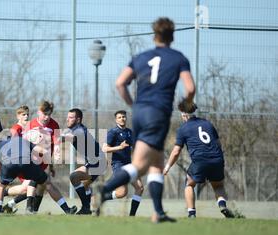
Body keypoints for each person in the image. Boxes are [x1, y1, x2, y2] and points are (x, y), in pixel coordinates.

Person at [97, 17, 195, 223]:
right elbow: (190, 88)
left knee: (156, 162)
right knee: (141, 164)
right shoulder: (178, 58)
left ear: (154, 35)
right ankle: (105, 189)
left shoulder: (140, 57)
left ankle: (158, 212)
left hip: (140, 113)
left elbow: (120, 83)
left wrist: (133, 105)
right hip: (158, 113)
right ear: (172, 36)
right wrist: (187, 103)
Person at [163, 105, 243, 218]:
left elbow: (176, 152)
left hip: (200, 160)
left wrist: (167, 167)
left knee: (189, 184)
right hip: (217, 159)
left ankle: (191, 214)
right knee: (218, 186)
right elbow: (218, 144)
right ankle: (222, 205)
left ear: (185, 114)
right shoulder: (208, 124)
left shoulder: (183, 128)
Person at [0, 134, 77, 215]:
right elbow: (43, 151)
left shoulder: (0, 145)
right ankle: (67, 210)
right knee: (47, 184)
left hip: (9, 165)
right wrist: (51, 164)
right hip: (26, 162)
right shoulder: (22, 140)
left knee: (0, 186)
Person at [63, 108, 106, 215]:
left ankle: (87, 206)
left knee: (74, 177)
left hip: (98, 163)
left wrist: (54, 137)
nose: (67, 119)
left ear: (78, 120)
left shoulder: (79, 130)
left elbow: (71, 137)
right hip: (94, 162)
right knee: (85, 186)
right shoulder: (76, 129)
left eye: (71, 117)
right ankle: (94, 205)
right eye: (67, 117)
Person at [102, 110, 144, 216]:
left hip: (129, 164)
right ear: (116, 119)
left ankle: (132, 215)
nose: (122, 119)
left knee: (140, 188)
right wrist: (119, 147)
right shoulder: (113, 132)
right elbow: (104, 148)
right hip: (118, 164)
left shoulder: (130, 132)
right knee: (122, 192)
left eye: (124, 117)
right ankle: (101, 196)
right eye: (119, 117)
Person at [23, 100, 61, 213]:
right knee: (35, 180)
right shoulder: (31, 124)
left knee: (42, 186)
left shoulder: (54, 125)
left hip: (46, 159)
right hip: (32, 159)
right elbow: (23, 140)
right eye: (45, 114)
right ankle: (28, 207)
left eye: (49, 114)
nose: (47, 117)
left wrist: (57, 151)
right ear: (39, 112)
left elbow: (57, 141)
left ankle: (33, 210)